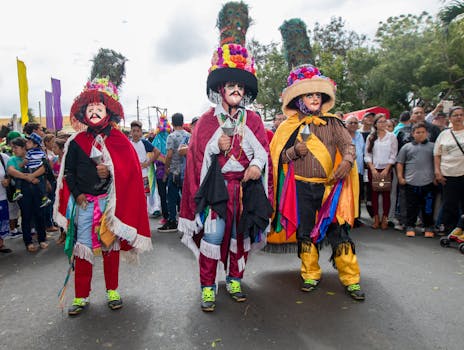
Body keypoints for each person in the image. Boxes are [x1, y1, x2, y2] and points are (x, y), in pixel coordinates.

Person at [178, 43, 273, 312]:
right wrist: (214, 147)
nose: (236, 91)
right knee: (212, 237)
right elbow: (197, 158)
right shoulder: (207, 121)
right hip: (215, 195)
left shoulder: (252, 120)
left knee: (239, 238)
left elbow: (263, 152)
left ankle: (234, 279)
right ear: (221, 88)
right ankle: (208, 287)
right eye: (231, 85)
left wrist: (255, 165)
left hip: (242, 193)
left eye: (241, 87)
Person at [54, 78, 152, 316]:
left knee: (110, 247)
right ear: (84, 113)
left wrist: (109, 172)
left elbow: (128, 174)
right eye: (91, 109)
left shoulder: (120, 141)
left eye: (99, 109)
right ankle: (81, 296)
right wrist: (77, 195)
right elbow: (68, 173)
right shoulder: (75, 142)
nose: (95, 112)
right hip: (85, 204)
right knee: (83, 248)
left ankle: (112, 291)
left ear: (108, 112)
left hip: (110, 205)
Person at [270, 64, 364, 301]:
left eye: (317, 95)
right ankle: (310, 274)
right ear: (299, 99)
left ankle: (351, 279)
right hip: (300, 188)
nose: (314, 98)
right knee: (305, 233)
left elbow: (348, 147)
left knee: (339, 232)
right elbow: (277, 158)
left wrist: (347, 162)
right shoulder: (287, 127)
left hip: (330, 189)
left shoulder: (334, 123)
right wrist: (294, 152)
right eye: (309, 94)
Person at [7, 137, 48, 252]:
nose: (13, 150)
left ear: (24, 147)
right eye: (12, 148)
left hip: (38, 189)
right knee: (26, 216)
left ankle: (42, 239)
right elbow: (12, 171)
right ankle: (28, 242)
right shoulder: (13, 160)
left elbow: (44, 168)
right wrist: (29, 178)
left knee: (40, 215)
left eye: (16, 147)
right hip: (23, 192)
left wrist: (32, 176)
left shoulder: (34, 156)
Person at [396, 122, 436, 237]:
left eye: (423, 132)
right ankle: (410, 226)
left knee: (428, 206)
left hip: (428, 181)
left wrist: (436, 176)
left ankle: (428, 226)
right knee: (411, 206)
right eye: (418, 132)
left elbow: (437, 162)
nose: (420, 134)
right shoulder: (406, 147)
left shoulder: (433, 146)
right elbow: (400, 163)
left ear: (427, 133)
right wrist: (400, 177)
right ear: (413, 134)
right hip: (411, 181)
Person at [434, 106, 464, 238]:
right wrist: (437, 171)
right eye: (455, 115)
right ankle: (449, 229)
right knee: (449, 203)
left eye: (461, 115)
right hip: (448, 174)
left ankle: (460, 228)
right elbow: (437, 154)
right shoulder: (444, 134)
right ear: (450, 118)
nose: (459, 117)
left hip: (463, 173)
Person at [364, 114, 398, 230]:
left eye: (384, 122)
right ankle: (376, 218)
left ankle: (385, 219)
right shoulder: (371, 137)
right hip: (373, 169)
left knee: (386, 195)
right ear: (375, 124)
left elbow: (393, 155)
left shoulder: (392, 137)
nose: (382, 124)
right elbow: (367, 155)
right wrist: (372, 169)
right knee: (373, 195)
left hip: (387, 169)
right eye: (380, 122)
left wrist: (387, 169)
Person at [158, 113, 189, 233]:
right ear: (182, 122)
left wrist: (166, 169)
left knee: (171, 197)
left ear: (172, 122)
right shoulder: (189, 135)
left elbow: (169, 154)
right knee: (185, 197)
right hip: (186, 171)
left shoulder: (171, 136)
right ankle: (187, 222)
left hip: (175, 171)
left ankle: (172, 221)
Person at [150, 115, 172, 224]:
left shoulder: (156, 140)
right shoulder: (170, 138)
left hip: (160, 171)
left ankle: (166, 217)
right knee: (172, 194)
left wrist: (160, 160)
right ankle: (172, 216)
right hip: (171, 169)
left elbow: (152, 156)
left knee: (163, 194)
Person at [345, 115, 365, 227]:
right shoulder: (343, 136)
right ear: (345, 124)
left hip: (359, 170)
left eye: (355, 123)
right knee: (348, 195)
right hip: (348, 171)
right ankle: (347, 218)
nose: (353, 125)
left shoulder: (360, 136)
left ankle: (356, 218)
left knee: (358, 195)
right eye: (350, 123)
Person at [129, 120, 158, 197]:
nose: (135, 133)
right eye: (133, 131)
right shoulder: (128, 143)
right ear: (130, 132)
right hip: (131, 175)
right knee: (133, 197)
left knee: (144, 197)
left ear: (141, 132)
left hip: (143, 174)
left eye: (138, 131)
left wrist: (147, 163)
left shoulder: (144, 142)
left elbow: (157, 152)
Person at [0, 151, 12, 253]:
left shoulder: (3, 157)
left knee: (2, 220)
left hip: (2, 196)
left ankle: (1, 243)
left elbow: (10, 172)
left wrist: (8, 180)